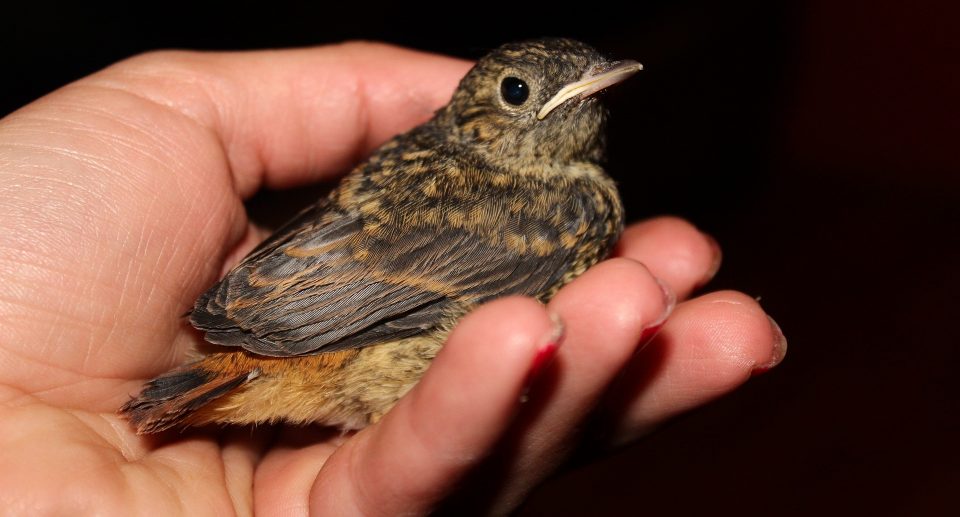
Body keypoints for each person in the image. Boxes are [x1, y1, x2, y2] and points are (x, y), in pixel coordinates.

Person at [0, 42, 786, 514]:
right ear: (477, 111)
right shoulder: (572, 210)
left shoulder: (555, 193)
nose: (550, 103)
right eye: (519, 93)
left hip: (308, 322)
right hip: (328, 347)